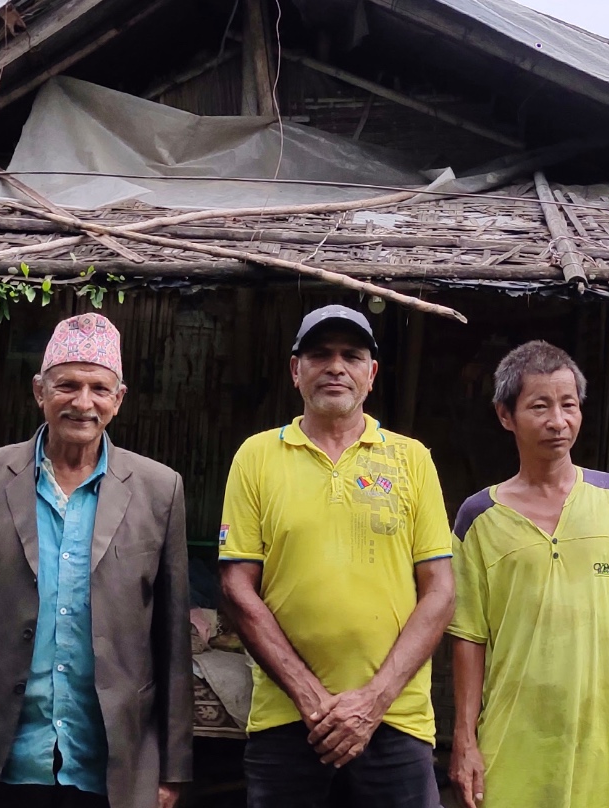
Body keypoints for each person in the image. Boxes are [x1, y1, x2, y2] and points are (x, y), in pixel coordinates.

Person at [0, 313, 192, 808]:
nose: (83, 403)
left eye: (98, 389)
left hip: (111, 767)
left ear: (119, 399)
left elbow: (171, 642)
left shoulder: (159, 489)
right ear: (39, 391)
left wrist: (172, 769)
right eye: (67, 385)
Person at [218, 304, 455, 808]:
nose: (335, 367)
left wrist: (372, 702)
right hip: (288, 720)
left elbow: (440, 592)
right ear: (295, 371)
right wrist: (311, 698)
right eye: (320, 354)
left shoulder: (411, 459)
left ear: (371, 375)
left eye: (352, 355)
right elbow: (238, 589)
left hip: (394, 719)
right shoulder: (256, 456)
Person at [446, 340, 609, 808]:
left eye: (568, 405)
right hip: (512, 742)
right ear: (506, 415)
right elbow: (469, 638)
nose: (558, 421)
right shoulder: (479, 518)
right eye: (539, 406)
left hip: (603, 745)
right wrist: (465, 740)